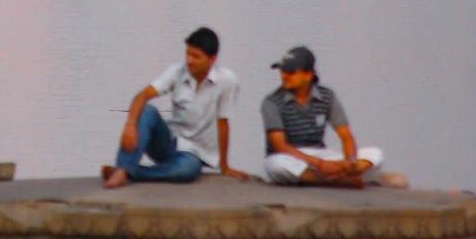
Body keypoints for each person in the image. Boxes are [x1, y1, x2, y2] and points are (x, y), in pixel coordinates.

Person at [100, 27, 246, 189]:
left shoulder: (227, 81)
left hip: (194, 153)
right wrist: (130, 125)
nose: (189, 60)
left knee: (187, 170)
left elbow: (223, 123)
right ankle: (122, 169)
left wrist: (224, 167)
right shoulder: (177, 72)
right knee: (147, 110)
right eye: (187, 54)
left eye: (196, 56)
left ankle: (130, 171)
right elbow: (142, 95)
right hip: (169, 141)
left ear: (212, 59)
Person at [261, 46, 398, 188]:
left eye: (291, 72)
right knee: (275, 165)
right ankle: (333, 179)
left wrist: (350, 161)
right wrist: (319, 164)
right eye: (282, 71)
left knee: (375, 153)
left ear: (308, 75)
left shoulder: (327, 97)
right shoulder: (272, 102)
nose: (284, 76)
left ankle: (345, 174)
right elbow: (280, 145)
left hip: (321, 154)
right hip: (291, 157)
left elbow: (345, 135)